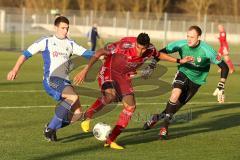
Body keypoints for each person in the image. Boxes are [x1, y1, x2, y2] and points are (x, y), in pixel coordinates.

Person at [73, 33, 193, 149]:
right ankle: (88, 115)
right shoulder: (123, 45)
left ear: (147, 46)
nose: (140, 51)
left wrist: (179, 61)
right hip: (109, 71)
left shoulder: (150, 49)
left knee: (131, 107)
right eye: (138, 48)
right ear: (136, 43)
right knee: (110, 96)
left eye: (143, 49)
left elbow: (159, 55)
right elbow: (100, 52)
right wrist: (85, 70)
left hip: (124, 76)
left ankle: (111, 140)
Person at [7, 16, 95, 142]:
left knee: (78, 115)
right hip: (51, 80)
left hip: (65, 82)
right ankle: (50, 128)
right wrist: (15, 69)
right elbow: (25, 54)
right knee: (73, 97)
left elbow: (90, 54)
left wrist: (108, 54)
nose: (65, 31)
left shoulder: (71, 44)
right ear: (56, 28)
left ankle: (51, 128)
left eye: (67, 28)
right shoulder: (46, 41)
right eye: (63, 28)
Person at [142, 25, 229, 140]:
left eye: (192, 37)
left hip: (197, 81)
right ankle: (164, 128)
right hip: (183, 72)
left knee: (174, 107)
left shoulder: (207, 51)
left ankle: (156, 118)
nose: (189, 39)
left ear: (198, 37)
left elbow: (224, 67)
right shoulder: (181, 44)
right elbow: (161, 52)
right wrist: (153, 64)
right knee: (175, 94)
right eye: (187, 36)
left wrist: (221, 85)